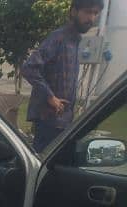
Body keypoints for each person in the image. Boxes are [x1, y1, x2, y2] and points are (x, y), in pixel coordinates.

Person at [22, 0, 104, 152]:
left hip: (63, 122)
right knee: (45, 166)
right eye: (87, 12)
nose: (91, 18)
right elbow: (29, 68)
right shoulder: (58, 38)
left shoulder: (75, 41)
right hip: (49, 122)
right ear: (73, 11)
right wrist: (50, 97)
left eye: (95, 13)